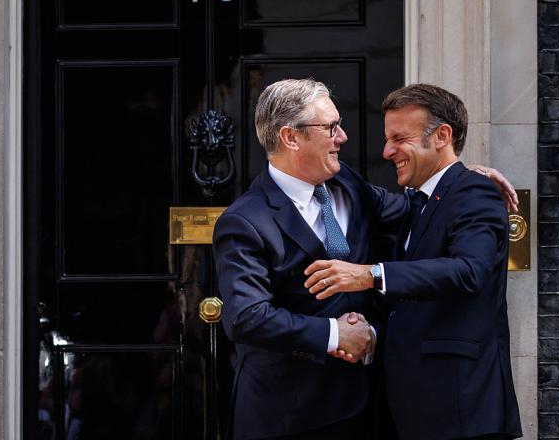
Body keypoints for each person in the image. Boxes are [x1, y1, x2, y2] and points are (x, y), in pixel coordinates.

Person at [304, 84, 523, 439]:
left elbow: (470, 271)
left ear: (442, 136)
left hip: (459, 411)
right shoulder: (415, 202)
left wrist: (371, 275)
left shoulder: (473, 192)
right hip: (410, 409)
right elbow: (349, 181)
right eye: (387, 139)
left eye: (399, 138)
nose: (387, 151)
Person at [212, 79, 407, 440]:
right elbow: (246, 317)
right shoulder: (245, 220)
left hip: (367, 404)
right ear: (290, 137)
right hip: (288, 415)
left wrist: (459, 182)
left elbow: (410, 211)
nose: (342, 137)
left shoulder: (348, 183)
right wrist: (335, 334)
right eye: (330, 127)